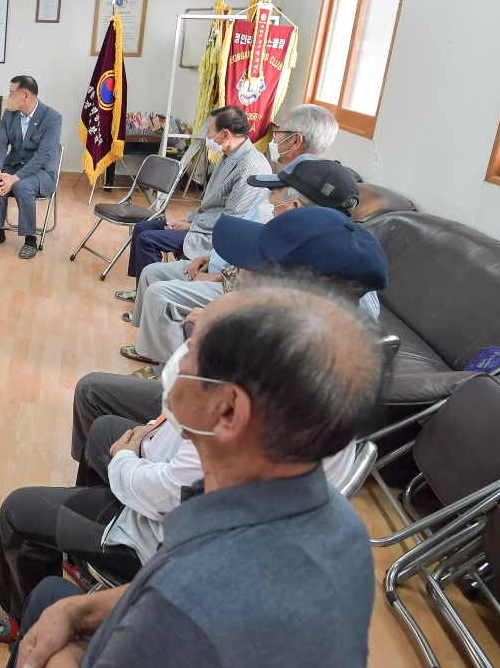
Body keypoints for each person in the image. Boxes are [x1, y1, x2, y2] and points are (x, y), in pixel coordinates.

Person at [0, 281, 381, 668]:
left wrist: (67, 658)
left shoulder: (188, 600)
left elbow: (175, 605)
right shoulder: (339, 524)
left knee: (41, 616)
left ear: (228, 411)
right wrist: (78, 611)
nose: (179, 358)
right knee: (52, 598)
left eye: (194, 347)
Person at [70, 203, 388, 474]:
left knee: (100, 421)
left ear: (287, 292)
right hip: (169, 449)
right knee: (95, 396)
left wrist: (128, 459)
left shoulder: (273, 376)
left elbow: (178, 473)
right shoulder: (304, 339)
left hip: (162, 483)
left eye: (252, 264)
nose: (237, 271)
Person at [118, 158, 360, 366]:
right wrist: (216, 264)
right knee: (152, 272)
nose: (270, 208)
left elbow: (283, 317)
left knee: (159, 292)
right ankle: (150, 347)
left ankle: (164, 369)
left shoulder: (324, 266)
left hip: (253, 312)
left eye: (274, 204)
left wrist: (225, 313)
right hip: (241, 289)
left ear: (295, 207)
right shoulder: (301, 237)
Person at [122, 105, 269, 280]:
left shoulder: (250, 166)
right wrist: (187, 220)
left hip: (214, 236)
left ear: (225, 134)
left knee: (147, 239)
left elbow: (232, 221)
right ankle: (140, 288)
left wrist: (191, 226)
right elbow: (211, 205)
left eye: (210, 131)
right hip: (204, 225)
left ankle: (150, 289)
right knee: (142, 227)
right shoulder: (230, 155)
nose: (207, 137)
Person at [0, 75, 62, 259]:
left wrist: (14, 178)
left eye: (12, 93)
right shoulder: (10, 114)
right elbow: (0, 144)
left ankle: (30, 239)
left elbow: (43, 156)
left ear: (26, 95)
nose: (9, 97)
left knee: (22, 186)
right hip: (15, 165)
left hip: (42, 171)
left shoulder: (52, 117)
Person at [265, 103, 338, 169]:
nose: (275, 136)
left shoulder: (266, 177)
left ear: (295, 141)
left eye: (279, 130)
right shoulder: (328, 175)